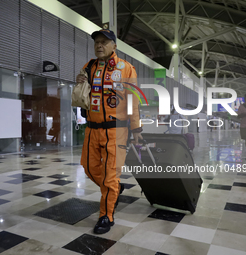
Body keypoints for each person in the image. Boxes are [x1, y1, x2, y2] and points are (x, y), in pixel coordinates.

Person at [76, 29, 143, 234]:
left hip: (117, 130)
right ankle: (114, 188)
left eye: (104, 42)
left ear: (114, 46)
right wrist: (80, 81)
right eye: (97, 42)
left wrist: (136, 128)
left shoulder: (126, 68)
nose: (99, 45)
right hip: (92, 129)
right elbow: (83, 91)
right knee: (88, 167)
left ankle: (106, 215)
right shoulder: (89, 66)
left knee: (110, 175)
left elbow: (132, 100)